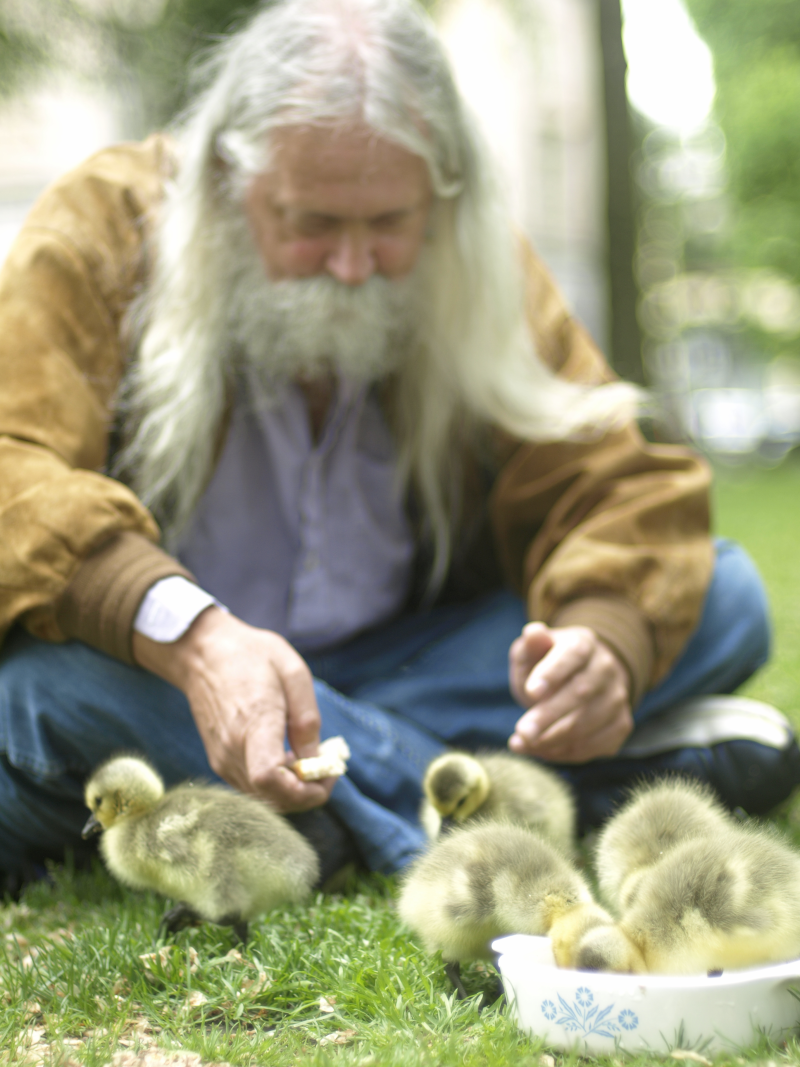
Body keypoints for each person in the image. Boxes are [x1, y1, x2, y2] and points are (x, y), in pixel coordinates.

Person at [0, 0, 796, 889]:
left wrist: (599, 648)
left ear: (440, 194)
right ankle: (491, 796)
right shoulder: (104, 226)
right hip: (168, 677)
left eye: (385, 224)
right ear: (229, 178)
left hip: (410, 659)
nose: (352, 264)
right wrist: (192, 636)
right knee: (37, 697)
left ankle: (321, 798)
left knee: (719, 594)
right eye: (311, 223)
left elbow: (614, 479)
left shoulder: (470, 255)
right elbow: (11, 468)